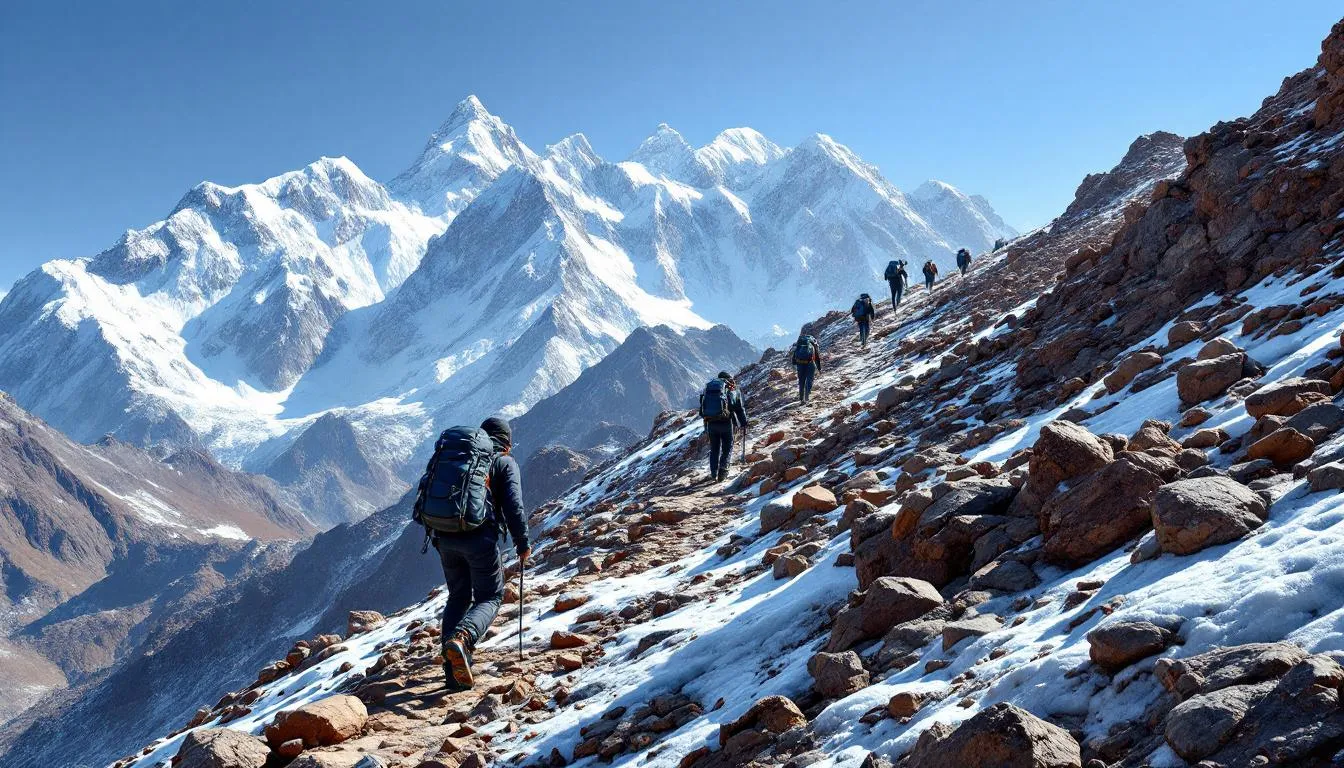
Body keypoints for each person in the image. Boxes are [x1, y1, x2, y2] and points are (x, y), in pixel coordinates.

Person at [413, 416, 530, 690]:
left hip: (443, 536)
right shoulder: (503, 462)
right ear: (508, 444)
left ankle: (452, 675)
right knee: (490, 596)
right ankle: (464, 639)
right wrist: (522, 543)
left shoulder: (462, 459)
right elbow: (514, 506)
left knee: (458, 596)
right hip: (478, 539)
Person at [699, 371, 749, 482]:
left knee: (714, 448)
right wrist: (744, 423)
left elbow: (702, 410)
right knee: (727, 447)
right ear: (727, 379)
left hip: (711, 423)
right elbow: (739, 408)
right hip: (726, 423)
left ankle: (713, 473)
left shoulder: (709, 390)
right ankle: (723, 470)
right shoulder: (732, 390)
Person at [791, 332, 823, 405]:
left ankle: (801, 400)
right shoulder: (813, 344)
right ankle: (807, 398)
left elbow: (794, 358)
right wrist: (819, 368)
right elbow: (817, 358)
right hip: (810, 363)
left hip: (800, 364)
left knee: (801, 381)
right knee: (809, 380)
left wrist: (795, 364)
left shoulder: (799, 344)